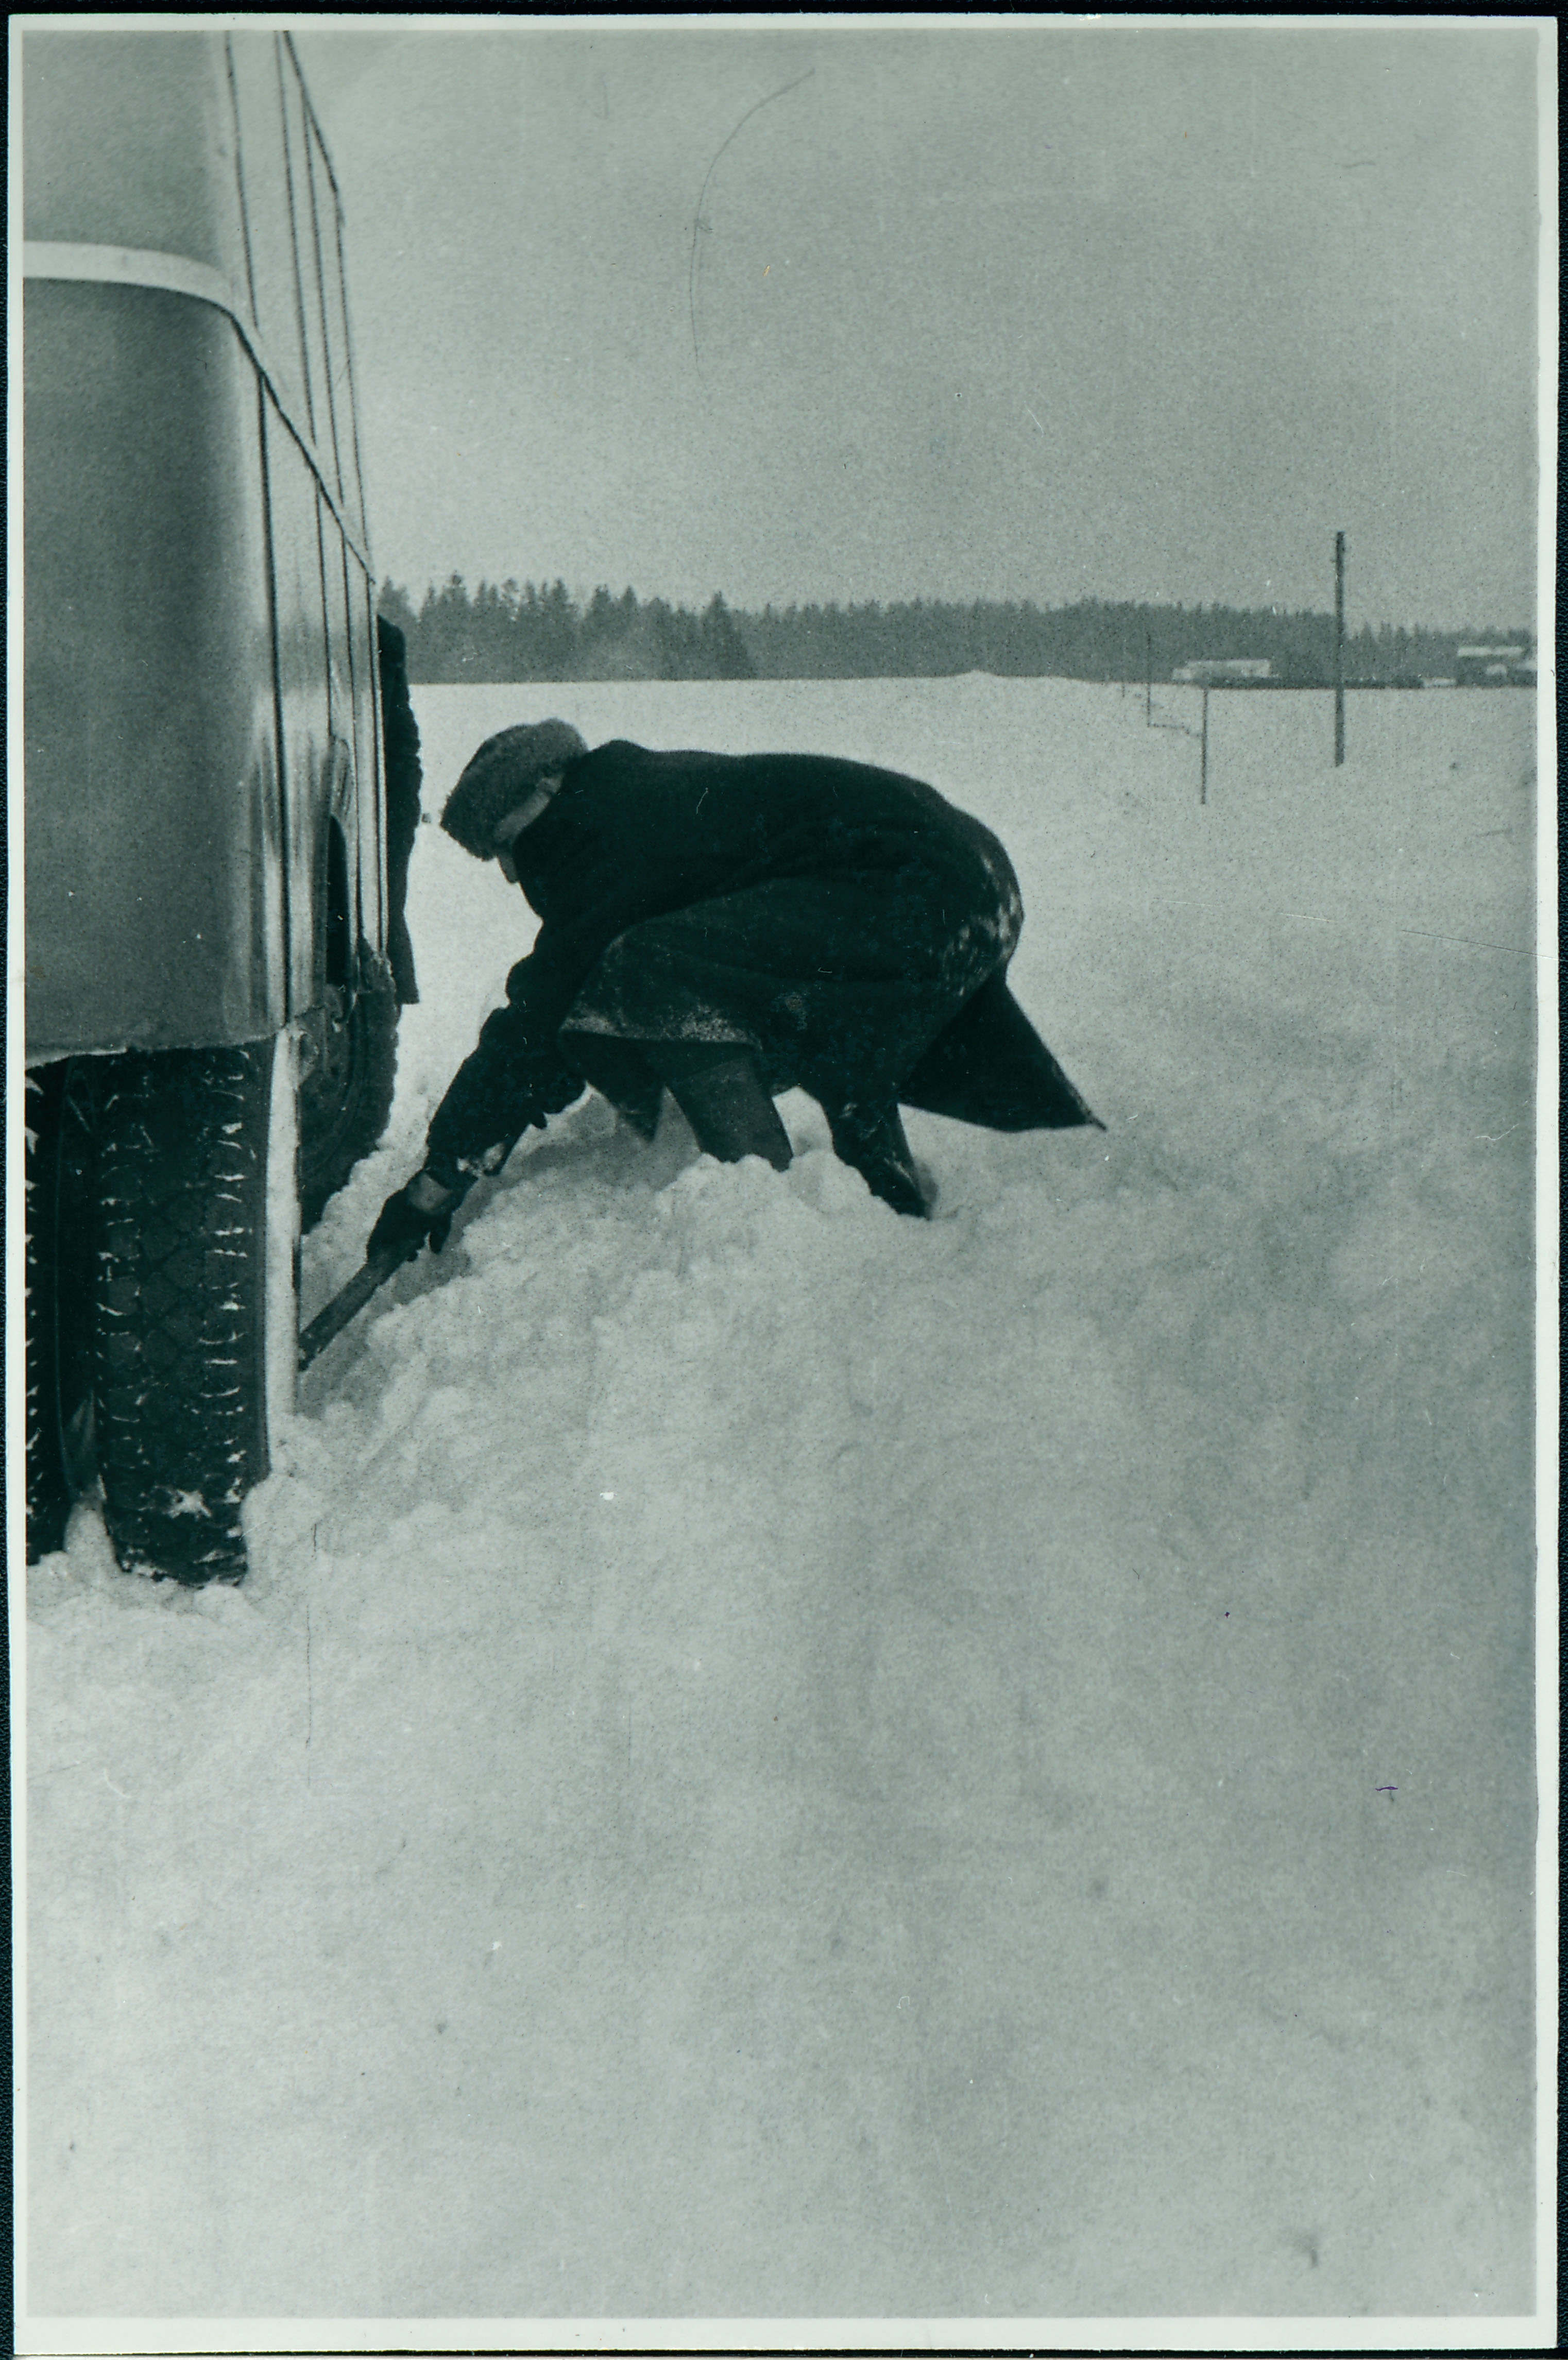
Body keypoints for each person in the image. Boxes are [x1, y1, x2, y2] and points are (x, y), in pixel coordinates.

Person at [367, 721, 1100, 1263]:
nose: (507, 871)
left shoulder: (604, 831)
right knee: (770, 995)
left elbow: (540, 1024)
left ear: (546, 790)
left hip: (919, 892)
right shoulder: (638, 794)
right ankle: (889, 1201)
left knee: (645, 973)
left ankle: (763, 1219)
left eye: (504, 841)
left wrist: (436, 1179)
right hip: (969, 882)